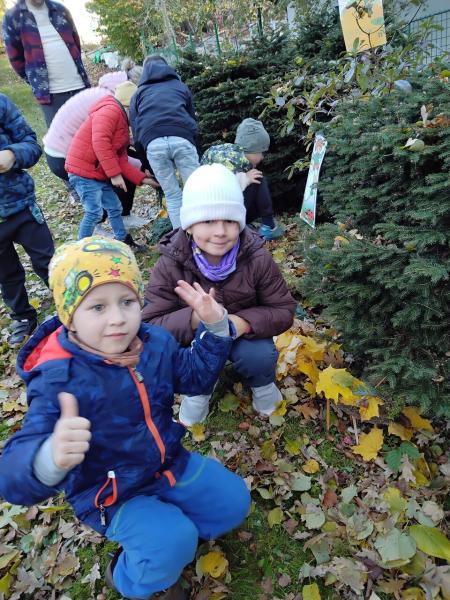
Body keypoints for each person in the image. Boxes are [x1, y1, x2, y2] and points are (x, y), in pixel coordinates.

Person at [0, 236, 250, 599]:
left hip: (168, 464)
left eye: (127, 301)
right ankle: (129, 576)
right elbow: (11, 476)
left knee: (233, 501)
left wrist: (214, 328)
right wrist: (47, 459)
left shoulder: (155, 343)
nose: (118, 318)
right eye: (97, 307)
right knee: (171, 542)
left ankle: (172, 531)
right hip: (112, 494)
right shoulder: (58, 379)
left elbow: (194, 377)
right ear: (70, 317)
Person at [142, 164, 296, 425]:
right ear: (189, 226)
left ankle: (262, 385)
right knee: (195, 358)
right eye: (208, 221)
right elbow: (150, 325)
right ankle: (197, 390)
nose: (221, 231)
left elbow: (283, 310)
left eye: (230, 221)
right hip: (194, 340)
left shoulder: (257, 258)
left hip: (242, 337)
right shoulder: (170, 264)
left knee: (258, 356)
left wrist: (240, 323)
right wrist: (197, 318)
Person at [43, 59, 156, 228]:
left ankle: (122, 216)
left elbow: (118, 145)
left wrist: (141, 173)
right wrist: (133, 171)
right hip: (66, 157)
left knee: (126, 166)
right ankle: (99, 226)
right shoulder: (109, 104)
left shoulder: (111, 97)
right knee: (106, 183)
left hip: (75, 151)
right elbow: (104, 145)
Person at [65, 81, 155, 251]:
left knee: (115, 207)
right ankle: (79, 250)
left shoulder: (121, 121)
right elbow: (100, 142)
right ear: (129, 106)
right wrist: (114, 174)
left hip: (97, 172)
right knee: (94, 212)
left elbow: (121, 159)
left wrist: (143, 179)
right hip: (83, 172)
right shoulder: (110, 111)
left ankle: (122, 240)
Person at [0, 93, 54, 345]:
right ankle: (22, 316)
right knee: (6, 274)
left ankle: (70, 298)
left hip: (21, 206)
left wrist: (13, 154)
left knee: (47, 261)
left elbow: (31, 144)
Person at [130, 55, 199, 229]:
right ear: (167, 67)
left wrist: (146, 164)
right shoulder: (180, 86)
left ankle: (180, 239)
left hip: (153, 144)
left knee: (173, 196)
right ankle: (202, 235)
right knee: (196, 191)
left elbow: (136, 133)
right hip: (182, 137)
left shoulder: (138, 94)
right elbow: (192, 120)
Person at [2, 0, 90, 127]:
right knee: (61, 138)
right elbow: (16, 59)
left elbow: (76, 44)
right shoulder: (13, 17)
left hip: (80, 87)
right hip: (52, 96)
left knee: (91, 133)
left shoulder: (61, 10)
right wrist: (37, 80)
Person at [201, 118, 284, 241]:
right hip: (217, 218)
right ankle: (268, 226)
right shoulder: (232, 162)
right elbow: (221, 191)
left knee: (254, 178)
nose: (262, 157)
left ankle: (245, 226)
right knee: (258, 179)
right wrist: (244, 179)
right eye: (261, 152)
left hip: (215, 217)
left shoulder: (231, 153)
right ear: (252, 149)